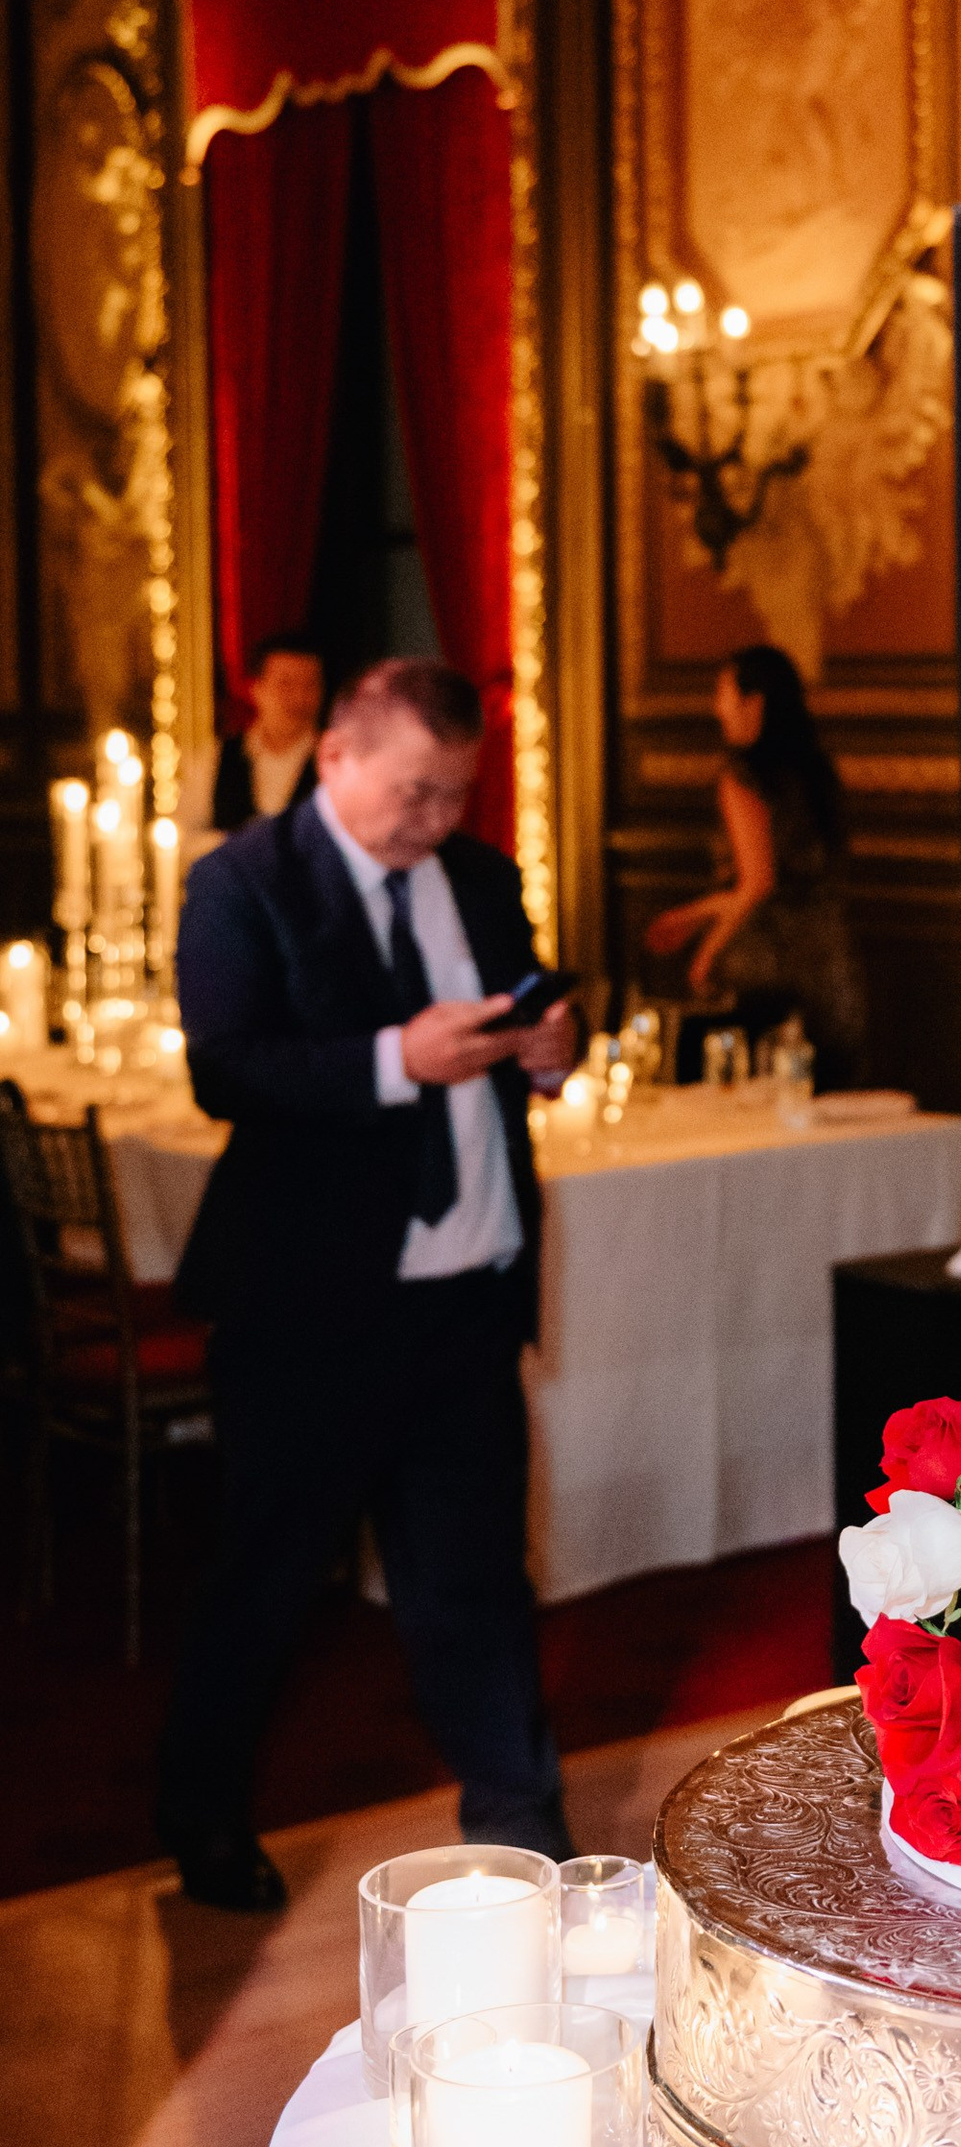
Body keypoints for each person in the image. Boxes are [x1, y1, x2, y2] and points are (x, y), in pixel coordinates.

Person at [161, 658, 580, 1911]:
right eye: (413, 793)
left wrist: (555, 1050)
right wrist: (399, 1058)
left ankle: (526, 1843)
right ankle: (203, 1819)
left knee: (475, 1584)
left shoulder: (483, 877)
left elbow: (528, 1016)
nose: (435, 822)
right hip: (311, 1310)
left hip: (465, 1297)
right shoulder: (242, 882)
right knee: (272, 1576)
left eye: (453, 796)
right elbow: (228, 1069)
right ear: (339, 753)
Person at [644, 644, 868, 1080]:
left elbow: (759, 884)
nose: (716, 709)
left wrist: (708, 950)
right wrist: (694, 915)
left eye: (723, 695)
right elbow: (790, 879)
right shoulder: (817, 772)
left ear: (754, 702)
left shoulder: (742, 777)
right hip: (833, 963)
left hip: (771, 973)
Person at [176, 626, 325, 871]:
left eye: (310, 685)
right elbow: (181, 843)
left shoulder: (337, 765)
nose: (300, 698)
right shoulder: (216, 758)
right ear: (257, 690)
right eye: (286, 685)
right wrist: (239, 847)